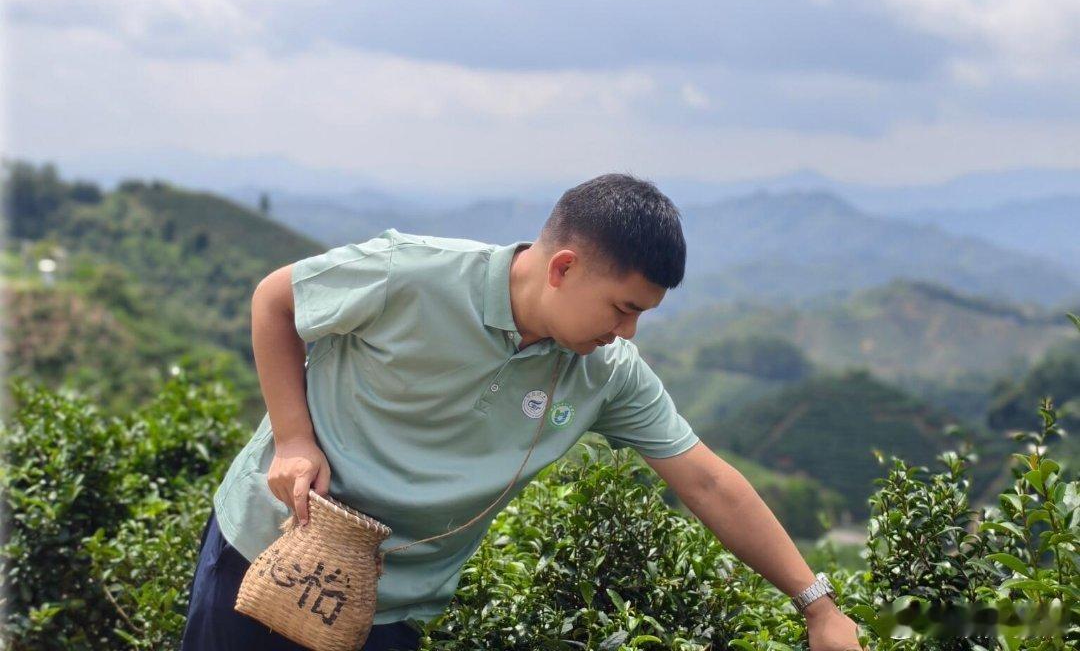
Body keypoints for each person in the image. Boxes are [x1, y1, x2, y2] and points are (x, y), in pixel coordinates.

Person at [178, 174, 864, 651]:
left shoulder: (605, 371)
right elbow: (276, 298)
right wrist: (295, 440)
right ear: (563, 267)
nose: (627, 333)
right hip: (268, 553)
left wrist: (819, 606)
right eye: (623, 308)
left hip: (392, 603)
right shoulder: (412, 274)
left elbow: (709, 483)